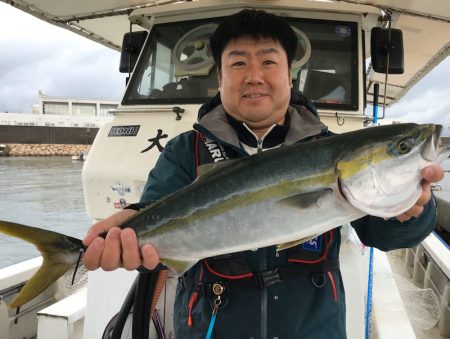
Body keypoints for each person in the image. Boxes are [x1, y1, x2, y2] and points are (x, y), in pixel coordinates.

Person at [83, 9, 444, 338]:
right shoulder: (184, 151)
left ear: (290, 76)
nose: (254, 76)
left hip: (312, 328)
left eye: (268, 61)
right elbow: (157, 208)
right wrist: (133, 227)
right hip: (211, 326)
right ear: (220, 79)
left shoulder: (327, 147)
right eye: (238, 64)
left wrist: (410, 210)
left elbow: (384, 234)